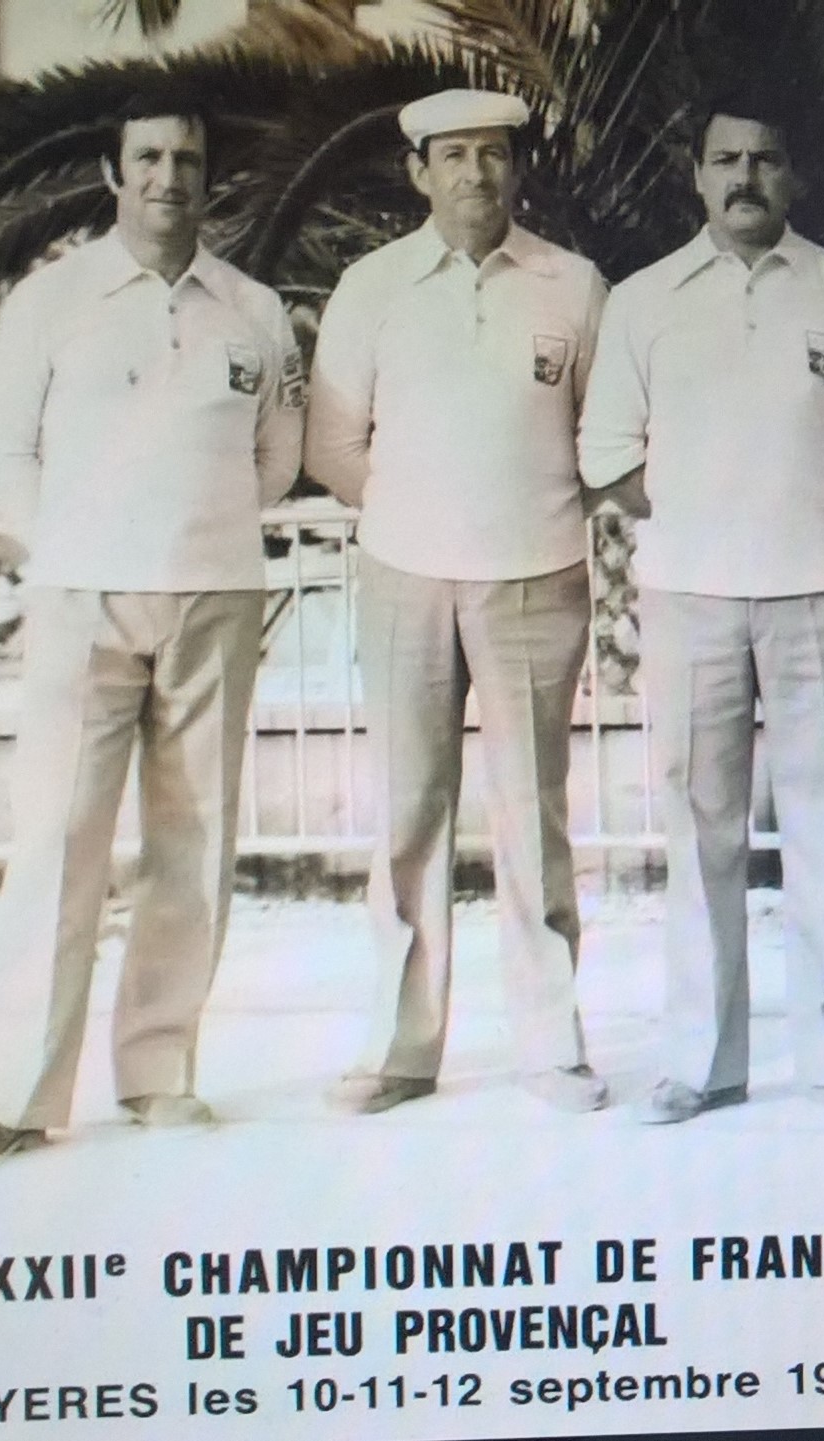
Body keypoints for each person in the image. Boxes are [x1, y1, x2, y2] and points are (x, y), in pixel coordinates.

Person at [0, 100, 304, 1164]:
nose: (168, 177)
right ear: (114, 173)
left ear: (209, 179)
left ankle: (157, 1072)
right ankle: (13, 1094)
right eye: (148, 157)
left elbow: (275, 459)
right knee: (58, 841)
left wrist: (192, 533)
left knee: (193, 844)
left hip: (212, 595)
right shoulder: (52, 300)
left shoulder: (254, 310)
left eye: (189, 159)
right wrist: (83, 537)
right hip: (83, 600)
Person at [579, 84, 824, 1125]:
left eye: (765, 160)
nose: (745, 179)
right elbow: (604, 456)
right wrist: (698, 509)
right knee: (701, 832)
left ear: (793, 176)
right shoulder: (642, 300)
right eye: (725, 160)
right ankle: (702, 1062)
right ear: (696, 175)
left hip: (818, 591)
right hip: (689, 600)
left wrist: (799, 495)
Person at [304, 89, 609, 1114]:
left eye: (494, 154)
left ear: (518, 170)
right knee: (407, 814)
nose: (476, 172)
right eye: (454, 155)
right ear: (419, 172)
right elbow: (333, 446)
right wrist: (418, 520)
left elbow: (598, 435)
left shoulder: (572, 285)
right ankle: (401, 1048)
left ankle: (552, 1044)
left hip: (536, 575)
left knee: (533, 813)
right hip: (406, 577)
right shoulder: (371, 286)